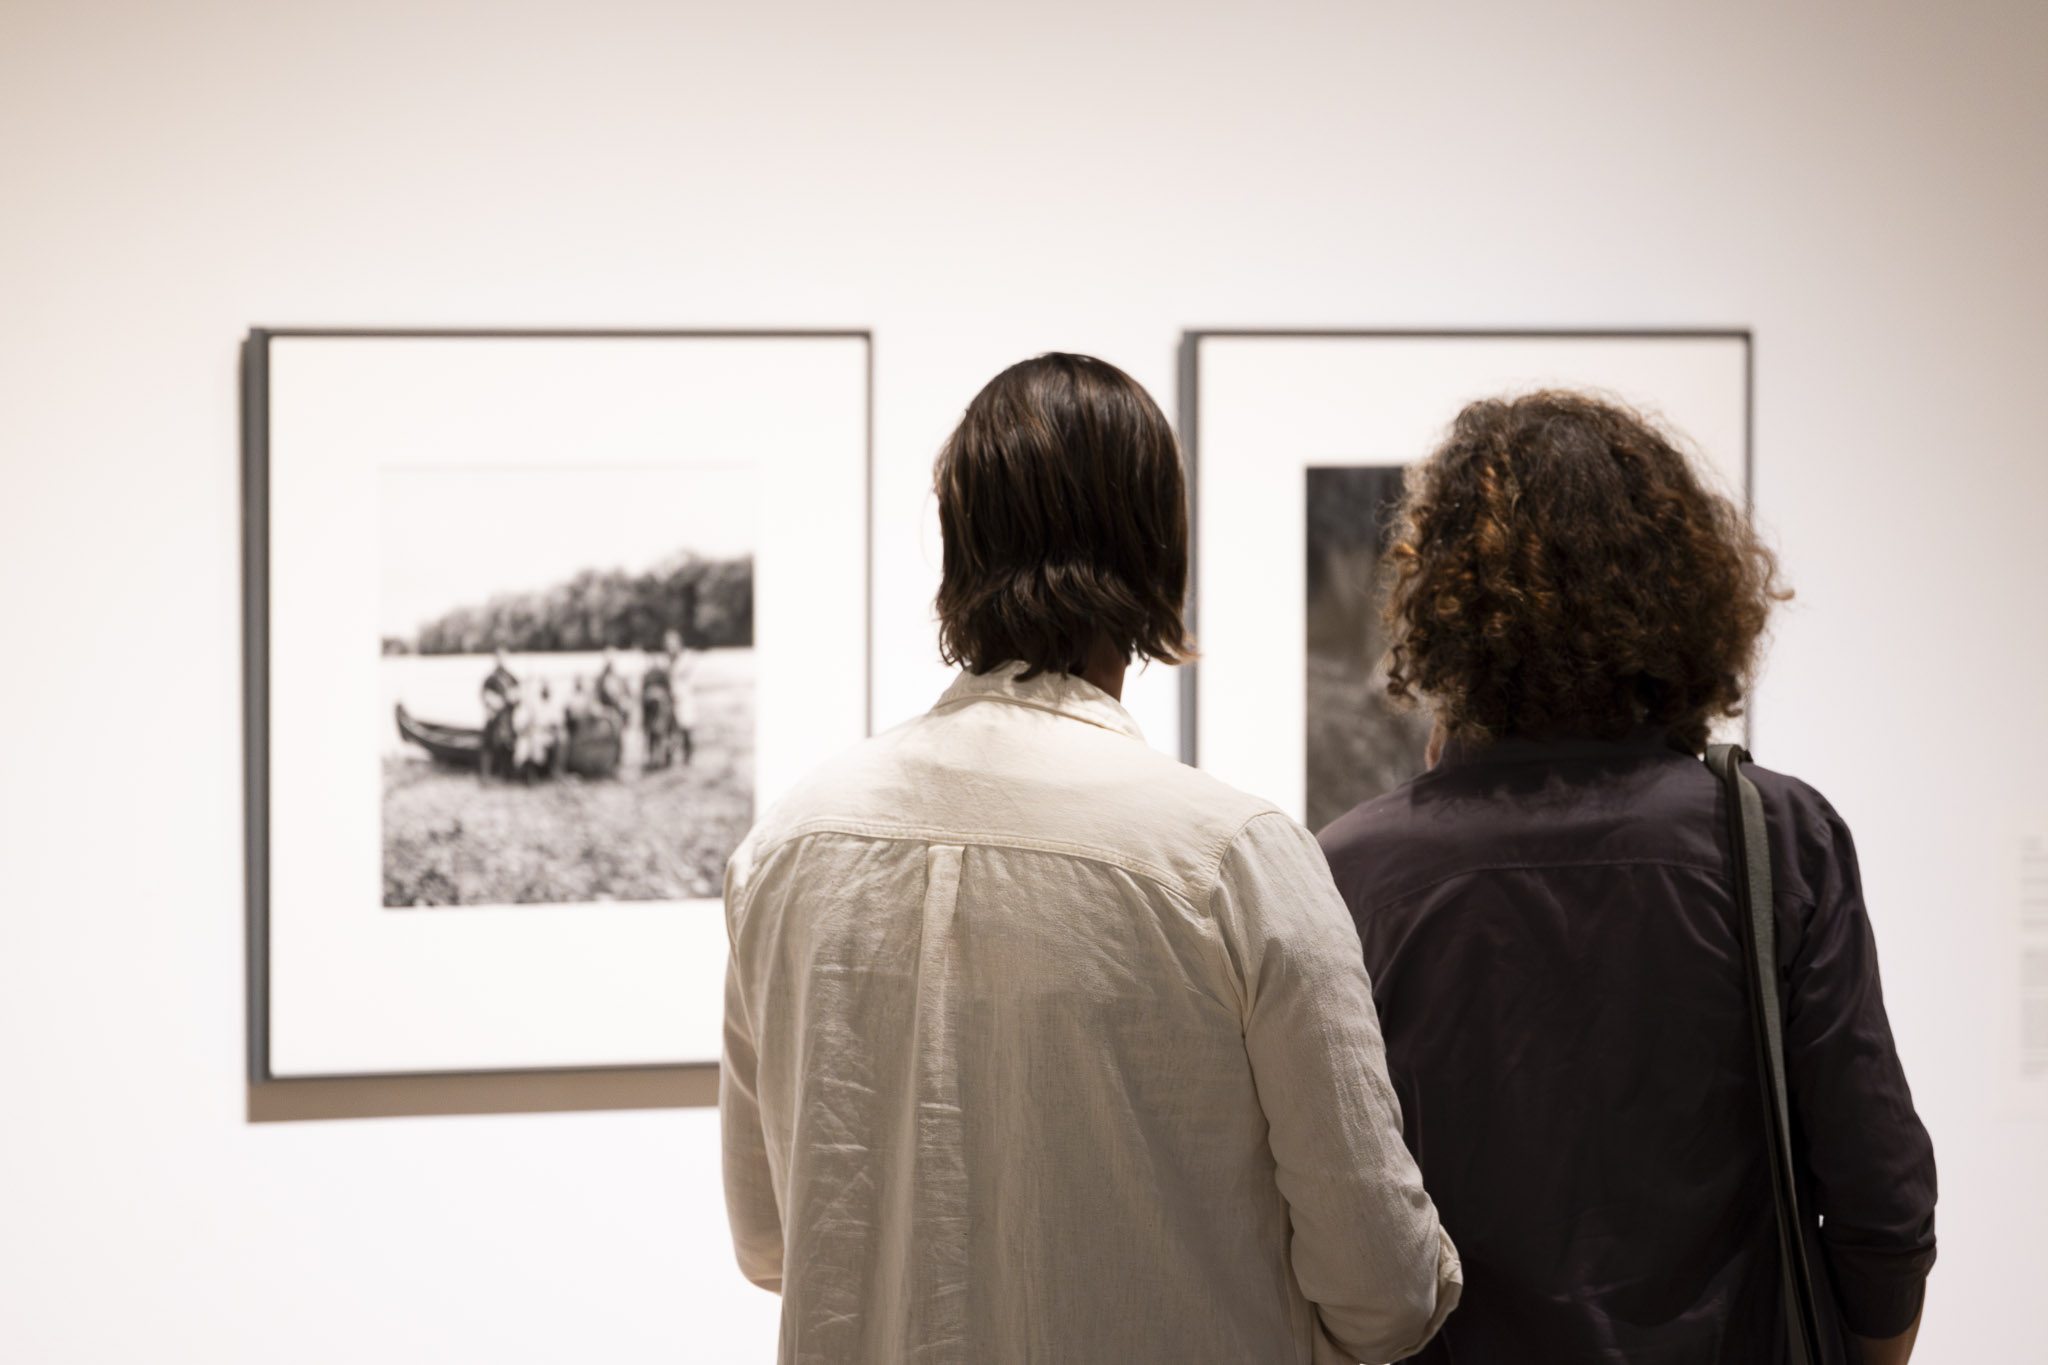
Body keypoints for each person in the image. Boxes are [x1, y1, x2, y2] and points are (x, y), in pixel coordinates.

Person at [721, 353, 1461, 1364]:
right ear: (1161, 550)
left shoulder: (788, 847)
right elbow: (1382, 1291)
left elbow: (770, 1240)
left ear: (957, 546)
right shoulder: (1229, 860)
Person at [1316, 392, 1936, 1365]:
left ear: (1440, 603)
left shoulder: (1348, 870)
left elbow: (1328, 1220)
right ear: (1682, 591)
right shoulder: (1775, 839)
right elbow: (1880, 1202)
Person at [479, 647, 520, 778]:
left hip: (508, 716)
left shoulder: (512, 677)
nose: (501, 660)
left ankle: (507, 771)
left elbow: (518, 694)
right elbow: (485, 696)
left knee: (510, 740)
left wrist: (513, 698)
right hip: (494, 715)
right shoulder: (490, 678)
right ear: (495, 659)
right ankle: (486, 774)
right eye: (498, 657)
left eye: (503, 657)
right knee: (488, 740)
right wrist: (495, 703)